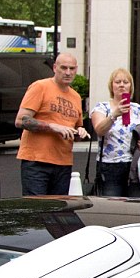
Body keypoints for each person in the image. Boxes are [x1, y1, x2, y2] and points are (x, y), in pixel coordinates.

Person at [15, 52, 90, 195]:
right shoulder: (40, 87)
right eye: (64, 68)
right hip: (37, 162)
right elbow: (21, 120)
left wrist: (80, 132)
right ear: (55, 68)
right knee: (37, 210)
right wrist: (52, 126)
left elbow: (75, 128)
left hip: (64, 163)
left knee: (59, 211)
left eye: (72, 68)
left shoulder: (75, 96)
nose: (68, 72)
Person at [89, 68, 140, 196]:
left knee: (136, 206)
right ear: (111, 86)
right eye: (118, 82)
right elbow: (99, 130)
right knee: (112, 207)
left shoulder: (139, 110)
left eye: (126, 82)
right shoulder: (102, 107)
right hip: (110, 166)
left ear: (131, 86)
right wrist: (114, 115)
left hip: (136, 165)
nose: (122, 85)